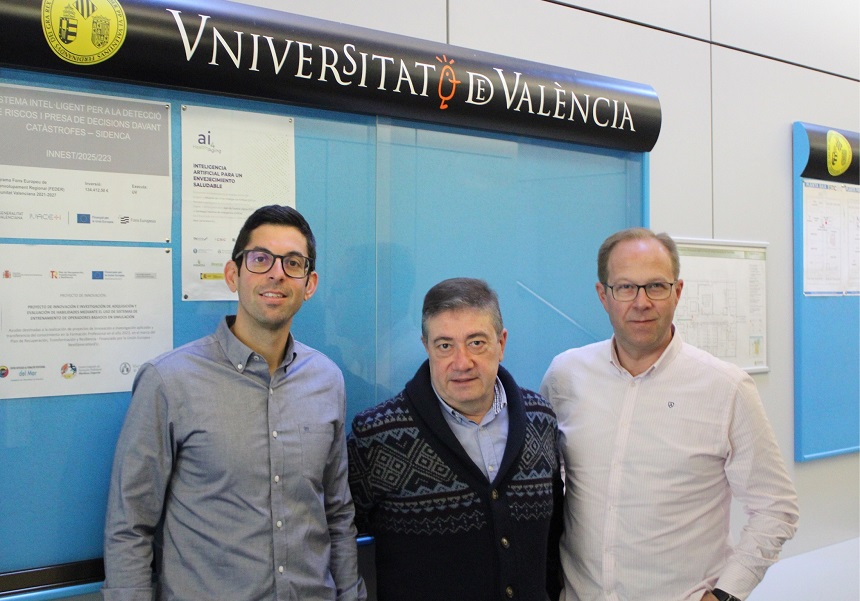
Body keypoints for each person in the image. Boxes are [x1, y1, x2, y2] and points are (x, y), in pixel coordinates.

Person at [103, 205, 366, 601]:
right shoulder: (169, 382)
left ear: (309, 285)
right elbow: (130, 525)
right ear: (233, 275)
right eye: (260, 259)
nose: (276, 273)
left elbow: (337, 513)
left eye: (293, 263)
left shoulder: (327, 380)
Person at [540, 227, 799, 601]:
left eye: (656, 286)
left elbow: (776, 507)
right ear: (603, 296)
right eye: (625, 287)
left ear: (677, 292)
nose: (641, 302)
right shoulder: (565, 376)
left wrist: (726, 594)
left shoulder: (726, 388)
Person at [347, 277, 563, 601]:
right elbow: (336, 541)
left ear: (501, 344)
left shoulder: (539, 418)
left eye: (476, 342)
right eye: (445, 346)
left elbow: (552, 544)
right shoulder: (377, 437)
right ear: (426, 347)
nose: (462, 363)